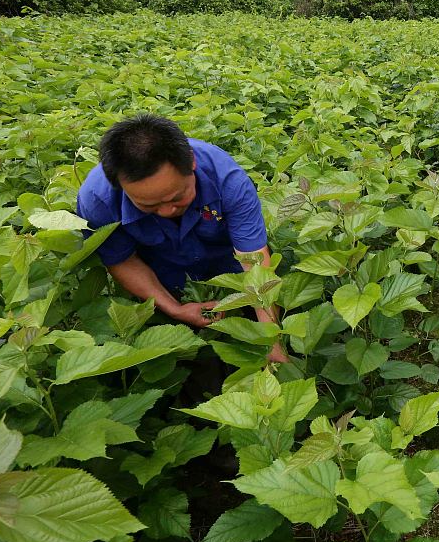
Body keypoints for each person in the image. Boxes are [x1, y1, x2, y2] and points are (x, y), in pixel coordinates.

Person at [76, 114, 287, 363]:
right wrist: (175, 309)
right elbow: (122, 260)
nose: (167, 211)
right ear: (120, 186)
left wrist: (273, 344)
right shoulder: (97, 200)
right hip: (162, 284)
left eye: (177, 197)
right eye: (148, 205)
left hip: (233, 278)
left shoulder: (227, 179)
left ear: (192, 163)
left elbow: (253, 261)